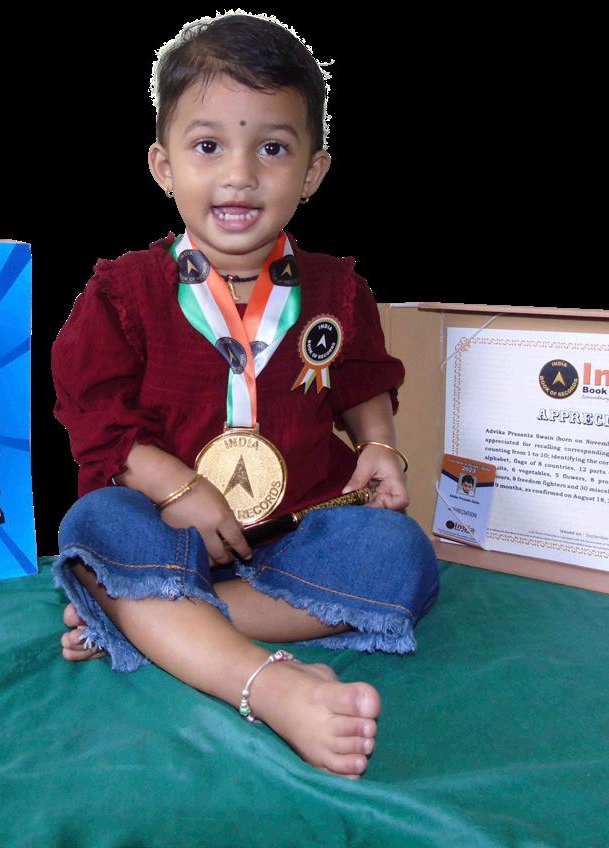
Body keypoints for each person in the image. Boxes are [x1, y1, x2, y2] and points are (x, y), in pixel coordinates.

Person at [51, 11, 439, 780]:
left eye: (272, 148)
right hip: (166, 529)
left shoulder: (338, 288)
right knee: (96, 525)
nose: (239, 174)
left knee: (404, 558)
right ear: (163, 165)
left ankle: (147, 618)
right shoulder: (121, 291)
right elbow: (95, 415)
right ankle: (268, 684)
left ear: (313, 171)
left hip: (296, 535)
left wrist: (378, 445)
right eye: (208, 146)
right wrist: (177, 487)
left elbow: (364, 380)